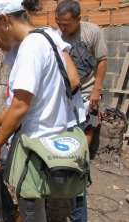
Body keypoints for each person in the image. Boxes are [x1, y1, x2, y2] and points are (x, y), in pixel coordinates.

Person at [0, 0, 85, 222]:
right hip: (50, 135)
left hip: (37, 139)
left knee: (30, 201)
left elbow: (20, 106)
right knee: (34, 198)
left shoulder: (30, 47)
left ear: (4, 20)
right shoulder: (43, 38)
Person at [56, 0, 108, 146]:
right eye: (59, 23)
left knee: (86, 127)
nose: (62, 27)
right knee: (64, 127)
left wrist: (96, 90)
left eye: (66, 24)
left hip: (88, 91)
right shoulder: (56, 35)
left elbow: (102, 61)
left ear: (78, 19)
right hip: (65, 91)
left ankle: (82, 162)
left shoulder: (92, 32)